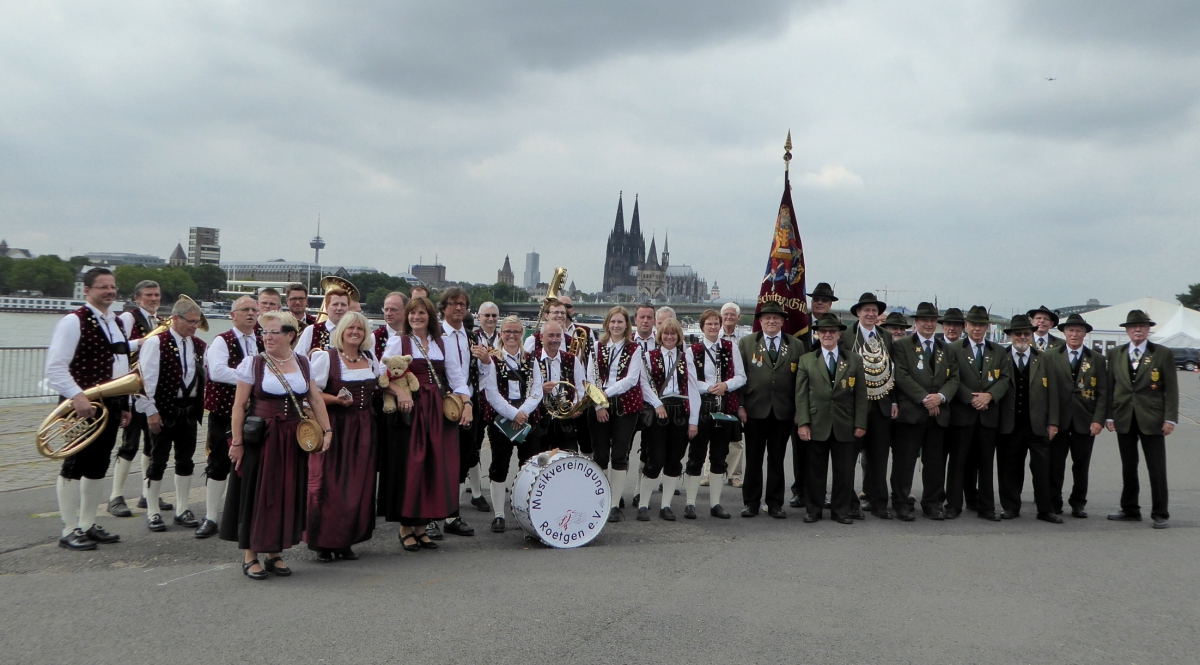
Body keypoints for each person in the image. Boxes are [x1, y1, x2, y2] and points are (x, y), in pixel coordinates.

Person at [221, 311, 333, 579]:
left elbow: (315, 400)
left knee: (285, 493)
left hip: (292, 439)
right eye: (264, 332)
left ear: (290, 335)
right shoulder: (254, 364)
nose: (266, 337)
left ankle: (274, 553)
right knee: (258, 494)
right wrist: (237, 443)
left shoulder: (304, 363)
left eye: (273, 332)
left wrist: (326, 430)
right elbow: (238, 406)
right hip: (263, 439)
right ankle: (250, 555)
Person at [45, 267, 132, 550]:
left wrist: (126, 404)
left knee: (98, 464)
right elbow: (55, 367)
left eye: (112, 287)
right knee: (74, 464)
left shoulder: (116, 321)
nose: (109, 291)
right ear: (87, 290)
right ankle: (69, 529)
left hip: (111, 404)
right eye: (102, 287)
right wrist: (77, 396)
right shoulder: (73, 321)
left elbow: (121, 366)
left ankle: (86, 523)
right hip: (80, 406)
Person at [378, 296, 472, 551]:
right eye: (412, 313)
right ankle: (405, 527)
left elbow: (457, 378)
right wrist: (402, 393)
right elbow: (381, 374)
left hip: (438, 411)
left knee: (433, 467)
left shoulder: (441, 343)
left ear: (430, 316)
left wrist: (467, 404)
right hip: (411, 412)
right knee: (412, 467)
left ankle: (422, 527)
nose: (416, 317)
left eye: (421, 313)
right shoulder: (399, 341)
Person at [307, 312, 380, 561]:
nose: (355, 332)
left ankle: (346, 540)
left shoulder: (370, 358)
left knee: (358, 485)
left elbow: (381, 385)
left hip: (365, 429)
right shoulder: (326, 358)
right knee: (332, 486)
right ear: (341, 331)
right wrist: (335, 399)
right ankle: (325, 543)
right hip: (336, 427)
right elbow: (311, 394)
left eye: (360, 328)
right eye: (351, 328)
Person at [137, 297, 207, 532]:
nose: (195, 326)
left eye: (197, 322)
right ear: (175, 319)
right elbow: (143, 381)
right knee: (158, 461)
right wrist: (151, 412)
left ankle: (182, 508)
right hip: (164, 410)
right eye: (192, 322)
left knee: (185, 461)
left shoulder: (198, 345)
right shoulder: (156, 343)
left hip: (188, 411)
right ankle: (153, 511)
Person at [1105, 310, 1177, 529]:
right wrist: (1109, 415)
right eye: (1133, 326)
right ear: (1126, 330)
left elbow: (1171, 388)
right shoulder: (1116, 353)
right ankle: (1130, 509)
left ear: (1148, 329)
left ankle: (1160, 512)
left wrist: (1170, 418)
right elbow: (1111, 386)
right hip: (1124, 416)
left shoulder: (1162, 353)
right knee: (1129, 466)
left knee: (1156, 468)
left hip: (1152, 417)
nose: (1138, 330)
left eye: (1142, 326)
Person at [197, 296, 261, 538]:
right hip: (224, 413)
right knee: (219, 463)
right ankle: (211, 517)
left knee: (250, 465)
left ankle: (243, 516)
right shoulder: (221, 341)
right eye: (245, 309)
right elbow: (218, 371)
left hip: (252, 415)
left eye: (254, 310)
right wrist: (252, 378)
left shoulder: (261, 341)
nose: (251, 314)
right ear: (232, 315)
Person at [795, 313, 868, 524]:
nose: (828, 335)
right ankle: (813, 510)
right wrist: (804, 423)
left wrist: (860, 423)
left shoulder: (854, 360)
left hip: (844, 423)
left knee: (844, 472)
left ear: (838, 334)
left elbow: (861, 395)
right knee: (815, 472)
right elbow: (801, 395)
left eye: (832, 331)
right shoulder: (806, 360)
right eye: (823, 331)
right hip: (817, 424)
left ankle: (841, 511)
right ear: (817, 335)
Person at [891, 301, 960, 521]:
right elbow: (901, 375)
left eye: (932, 320)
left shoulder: (946, 349)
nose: (929, 324)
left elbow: (954, 378)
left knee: (935, 463)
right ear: (916, 322)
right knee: (905, 462)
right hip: (912, 413)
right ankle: (901, 503)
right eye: (924, 320)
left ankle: (932, 503)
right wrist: (923, 398)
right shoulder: (902, 346)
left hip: (938, 414)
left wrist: (939, 398)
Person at [737, 302, 803, 519]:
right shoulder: (747, 343)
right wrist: (740, 405)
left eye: (776, 318)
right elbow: (740, 377)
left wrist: (798, 410)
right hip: (755, 410)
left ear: (783, 321)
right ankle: (751, 503)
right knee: (753, 458)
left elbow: (800, 381)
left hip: (783, 411)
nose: (771, 321)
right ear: (760, 321)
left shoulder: (795, 345)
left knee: (777, 458)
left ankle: (775, 503)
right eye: (767, 318)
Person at [945, 306, 1008, 521]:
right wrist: (971, 398)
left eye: (981, 325)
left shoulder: (998, 351)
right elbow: (952, 378)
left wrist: (989, 396)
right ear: (966, 326)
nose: (977, 329)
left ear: (987, 326)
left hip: (987, 416)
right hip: (963, 414)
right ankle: (953, 505)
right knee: (958, 463)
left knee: (985, 464)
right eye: (973, 325)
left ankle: (986, 507)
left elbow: (1004, 379)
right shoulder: (954, 349)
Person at [839, 292, 898, 520]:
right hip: (855, 407)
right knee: (849, 457)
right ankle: (850, 502)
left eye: (874, 310)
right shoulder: (846, 336)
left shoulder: (885, 336)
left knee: (879, 458)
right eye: (867, 310)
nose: (871, 314)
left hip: (881, 405)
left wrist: (893, 400)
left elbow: (892, 370)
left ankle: (878, 503)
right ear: (858, 313)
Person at [482, 315, 544, 532]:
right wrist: (512, 413)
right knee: (499, 466)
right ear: (501, 334)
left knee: (528, 467)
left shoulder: (531, 359)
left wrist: (523, 412)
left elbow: (537, 390)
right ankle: (499, 514)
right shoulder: (492, 359)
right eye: (507, 331)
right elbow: (491, 392)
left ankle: (524, 512)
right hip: (501, 421)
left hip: (528, 419)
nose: (511, 335)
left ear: (521, 335)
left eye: (516, 332)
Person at [996, 315, 1061, 523]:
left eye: (1026, 333)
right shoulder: (1001, 356)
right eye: (1018, 334)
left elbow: (1053, 392)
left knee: (1042, 469)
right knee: (1010, 468)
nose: (1022, 337)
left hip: (1037, 424)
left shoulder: (1044, 358)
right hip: (1010, 424)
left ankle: (1045, 509)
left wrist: (1053, 421)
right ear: (1011, 336)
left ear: (1032, 335)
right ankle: (1011, 507)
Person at [683, 309, 745, 519]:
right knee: (696, 455)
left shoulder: (730, 347)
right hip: (703, 407)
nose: (713, 327)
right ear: (702, 327)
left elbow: (741, 376)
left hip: (724, 408)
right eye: (708, 324)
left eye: (716, 324)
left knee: (720, 456)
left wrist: (726, 385)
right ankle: (690, 503)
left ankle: (715, 504)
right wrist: (709, 387)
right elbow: (689, 381)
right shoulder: (693, 350)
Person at [110, 279, 163, 517]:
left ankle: (146, 493)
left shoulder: (160, 322)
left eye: (157, 295)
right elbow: (115, 346)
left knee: (152, 445)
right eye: (149, 295)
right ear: (137, 298)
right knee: (129, 444)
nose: (154, 299)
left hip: (150, 391)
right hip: (132, 389)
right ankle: (116, 496)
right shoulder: (128, 318)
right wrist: (140, 342)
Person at [638, 318, 699, 521]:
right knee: (655, 458)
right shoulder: (648, 356)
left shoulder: (686, 357)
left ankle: (666, 506)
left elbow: (693, 389)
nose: (669, 337)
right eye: (666, 334)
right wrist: (657, 404)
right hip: (658, 410)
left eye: (673, 334)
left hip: (680, 411)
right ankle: (643, 504)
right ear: (660, 336)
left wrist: (694, 420)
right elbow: (644, 385)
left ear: (678, 336)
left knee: (675, 459)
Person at [1047, 313, 1106, 519]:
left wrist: (1098, 419)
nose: (1074, 334)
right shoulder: (1050, 356)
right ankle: (1054, 501)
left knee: (1081, 464)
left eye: (1078, 330)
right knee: (1055, 464)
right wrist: (1050, 420)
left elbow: (1103, 392)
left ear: (1085, 334)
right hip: (1059, 420)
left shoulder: (1096, 359)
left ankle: (1078, 503)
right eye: (1070, 330)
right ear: (1063, 332)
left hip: (1085, 419)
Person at [588, 306, 644, 522]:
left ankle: (614, 504)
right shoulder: (596, 346)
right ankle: (601, 498)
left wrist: (605, 394)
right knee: (600, 455)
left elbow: (631, 379)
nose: (616, 326)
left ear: (627, 325)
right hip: (599, 406)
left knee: (620, 455)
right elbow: (590, 376)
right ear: (607, 324)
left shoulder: (635, 349)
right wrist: (598, 404)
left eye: (620, 322)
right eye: (613, 322)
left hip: (625, 407)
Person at [437, 287, 481, 537]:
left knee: (463, 461)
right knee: (440, 461)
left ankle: (452, 514)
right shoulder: (436, 335)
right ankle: (431, 516)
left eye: (462, 304)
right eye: (453, 304)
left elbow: (480, 374)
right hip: (444, 406)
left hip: (469, 405)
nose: (458, 308)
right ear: (443, 307)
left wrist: (485, 361)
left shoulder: (472, 337)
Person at [534, 320, 585, 451]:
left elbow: (580, 387)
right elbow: (526, 389)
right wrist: (540, 389)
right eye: (551, 335)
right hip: (541, 419)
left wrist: (574, 407)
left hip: (566, 420)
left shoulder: (571, 359)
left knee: (568, 458)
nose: (555, 339)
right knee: (540, 460)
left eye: (558, 336)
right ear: (541, 337)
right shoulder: (531, 359)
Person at [718, 302, 747, 488]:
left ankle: (734, 474)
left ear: (738, 318)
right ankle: (708, 472)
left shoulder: (744, 340)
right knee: (711, 433)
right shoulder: (712, 334)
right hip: (714, 391)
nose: (729, 317)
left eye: (732, 315)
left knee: (735, 437)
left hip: (736, 391)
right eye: (725, 314)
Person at [295, 287, 349, 355]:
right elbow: (298, 359)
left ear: (348, 308)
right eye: (335, 304)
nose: (339, 308)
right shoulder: (311, 330)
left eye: (343, 305)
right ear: (326, 307)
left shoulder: (355, 331)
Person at [372, 291, 407, 359]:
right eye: (386, 309)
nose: (388, 313)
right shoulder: (374, 337)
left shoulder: (415, 335)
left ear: (406, 311)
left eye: (393, 310)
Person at [805, 282, 837, 349]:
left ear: (830, 304)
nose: (820, 302)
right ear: (811, 302)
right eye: (816, 299)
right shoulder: (801, 323)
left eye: (824, 300)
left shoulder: (837, 327)